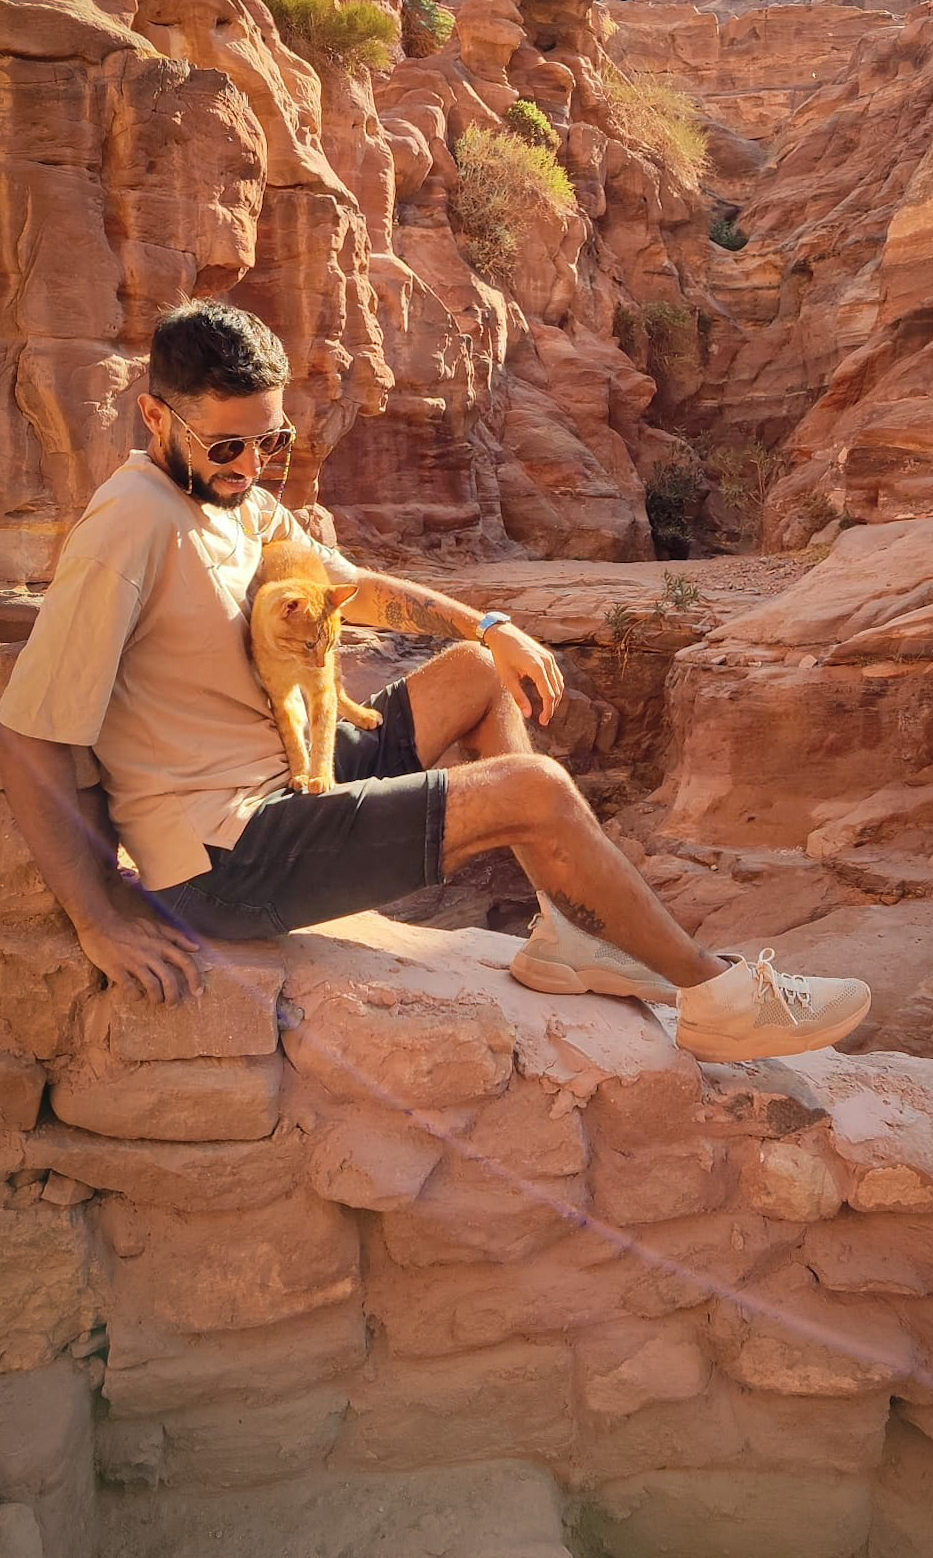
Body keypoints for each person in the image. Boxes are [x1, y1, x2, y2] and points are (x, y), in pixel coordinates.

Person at [0, 301, 871, 1064]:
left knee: (475, 675)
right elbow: (30, 728)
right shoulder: (129, 527)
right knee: (531, 787)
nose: (251, 464)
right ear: (155, 416)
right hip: (226, 856)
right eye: (226, 444)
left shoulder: (233, 500)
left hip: (291, 780)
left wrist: (488, 627)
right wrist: (97, 916)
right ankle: (715, 999)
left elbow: (352, 584)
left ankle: (571, 935)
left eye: (270, 440)